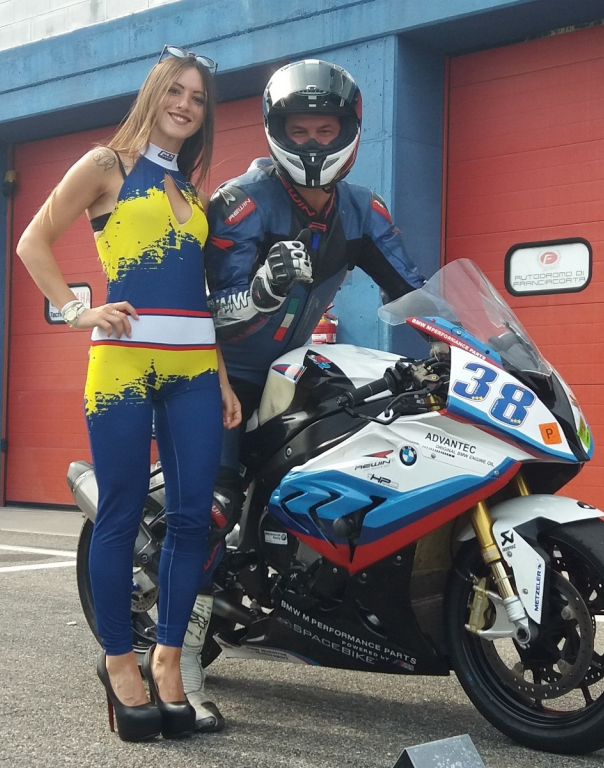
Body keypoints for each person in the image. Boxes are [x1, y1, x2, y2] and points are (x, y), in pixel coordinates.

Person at [185, 58, 425, 728]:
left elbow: (413, 293)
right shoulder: (241, 202)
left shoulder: (363, 210)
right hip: (221, 371)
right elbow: (208, 309)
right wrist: (261, 290)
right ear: (277, 131)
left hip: (295, 366)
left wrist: (466, 349)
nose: (314, 142)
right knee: (213, 508)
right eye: (300, 130)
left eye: (326, 129)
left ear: (348, 130)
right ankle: (181, 663)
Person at [16, 45, 241, 742]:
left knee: (191, 518)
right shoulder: (105, 165)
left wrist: (221, 376)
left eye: (197, 98)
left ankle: (169, 660)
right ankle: (119, 661)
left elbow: (198, 292)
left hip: (194, 370)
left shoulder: (194, 195)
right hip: (122, 366)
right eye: (175, 91)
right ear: (153, 94)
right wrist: (75, 310)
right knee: (119, 512)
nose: (185, 105)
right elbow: (32, 241)